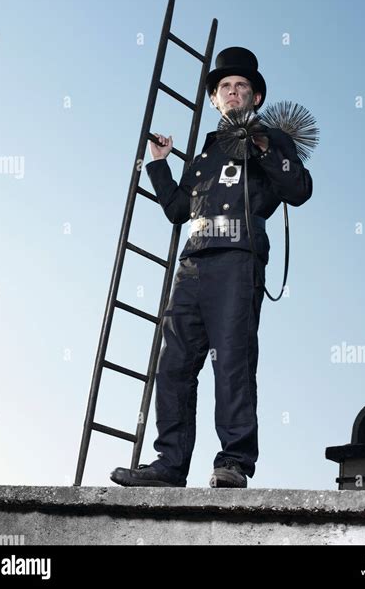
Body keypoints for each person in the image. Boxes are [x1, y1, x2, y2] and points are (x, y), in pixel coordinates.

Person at [110, 47, 313, 488]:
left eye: (242, 86)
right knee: (175, 364)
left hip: (238, 261)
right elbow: (178, 209)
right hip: (193, 263)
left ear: (255, 97)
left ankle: (234, 462)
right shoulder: (205, 152)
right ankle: (168, 465)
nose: (233, 92)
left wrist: (262, 149)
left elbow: (299, 190)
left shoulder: (271, 139)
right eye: (225, 87)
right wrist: (159, 166)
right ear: (216, 99)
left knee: (233, 362)